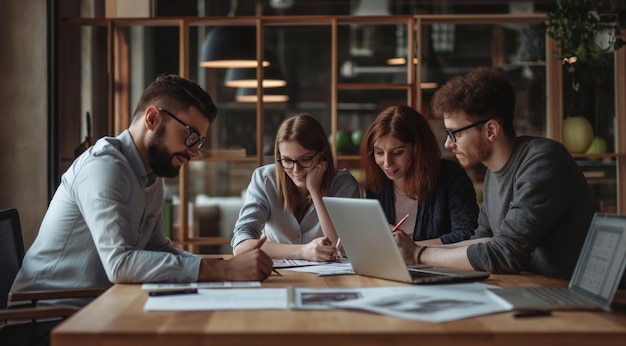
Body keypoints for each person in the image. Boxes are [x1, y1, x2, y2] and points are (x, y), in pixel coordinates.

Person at [11, 75, 274, 309]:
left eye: (199, 142)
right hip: (46, 318)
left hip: (98, 308)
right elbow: (119, 264)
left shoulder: (150, 177)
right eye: (190, 135)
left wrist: (224, 265)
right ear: (152, 118)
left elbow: (158, 248)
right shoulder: (103, 168)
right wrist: (222, 269)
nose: (195, 151)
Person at [392, 68, 599, 280]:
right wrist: (410, 247)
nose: (448, 143)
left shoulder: (543, 161)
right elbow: (485, 240)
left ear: (491, 130)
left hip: (576, 295)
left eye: (456, 133)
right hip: (536, 287)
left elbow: (505, 254)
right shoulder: (493, 173)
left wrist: (419, 254)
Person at [231, 113, 360, 261]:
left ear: (322, 154)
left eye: (305, 159)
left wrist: (315, 191)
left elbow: (342, 248)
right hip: (279, 277)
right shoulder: (264, 179)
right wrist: (302, 251)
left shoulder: (343, 184)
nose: (296, 170)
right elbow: (241, 245)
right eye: (287, 160)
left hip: (330, 279)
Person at [361, 105, 478, 247]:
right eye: (379, 152)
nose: (386, 163)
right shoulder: (377, 183)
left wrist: (412, 248)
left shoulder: (451, 176)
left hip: (439, 267)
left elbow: (466, 234)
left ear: (418, 149)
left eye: (397, 152)